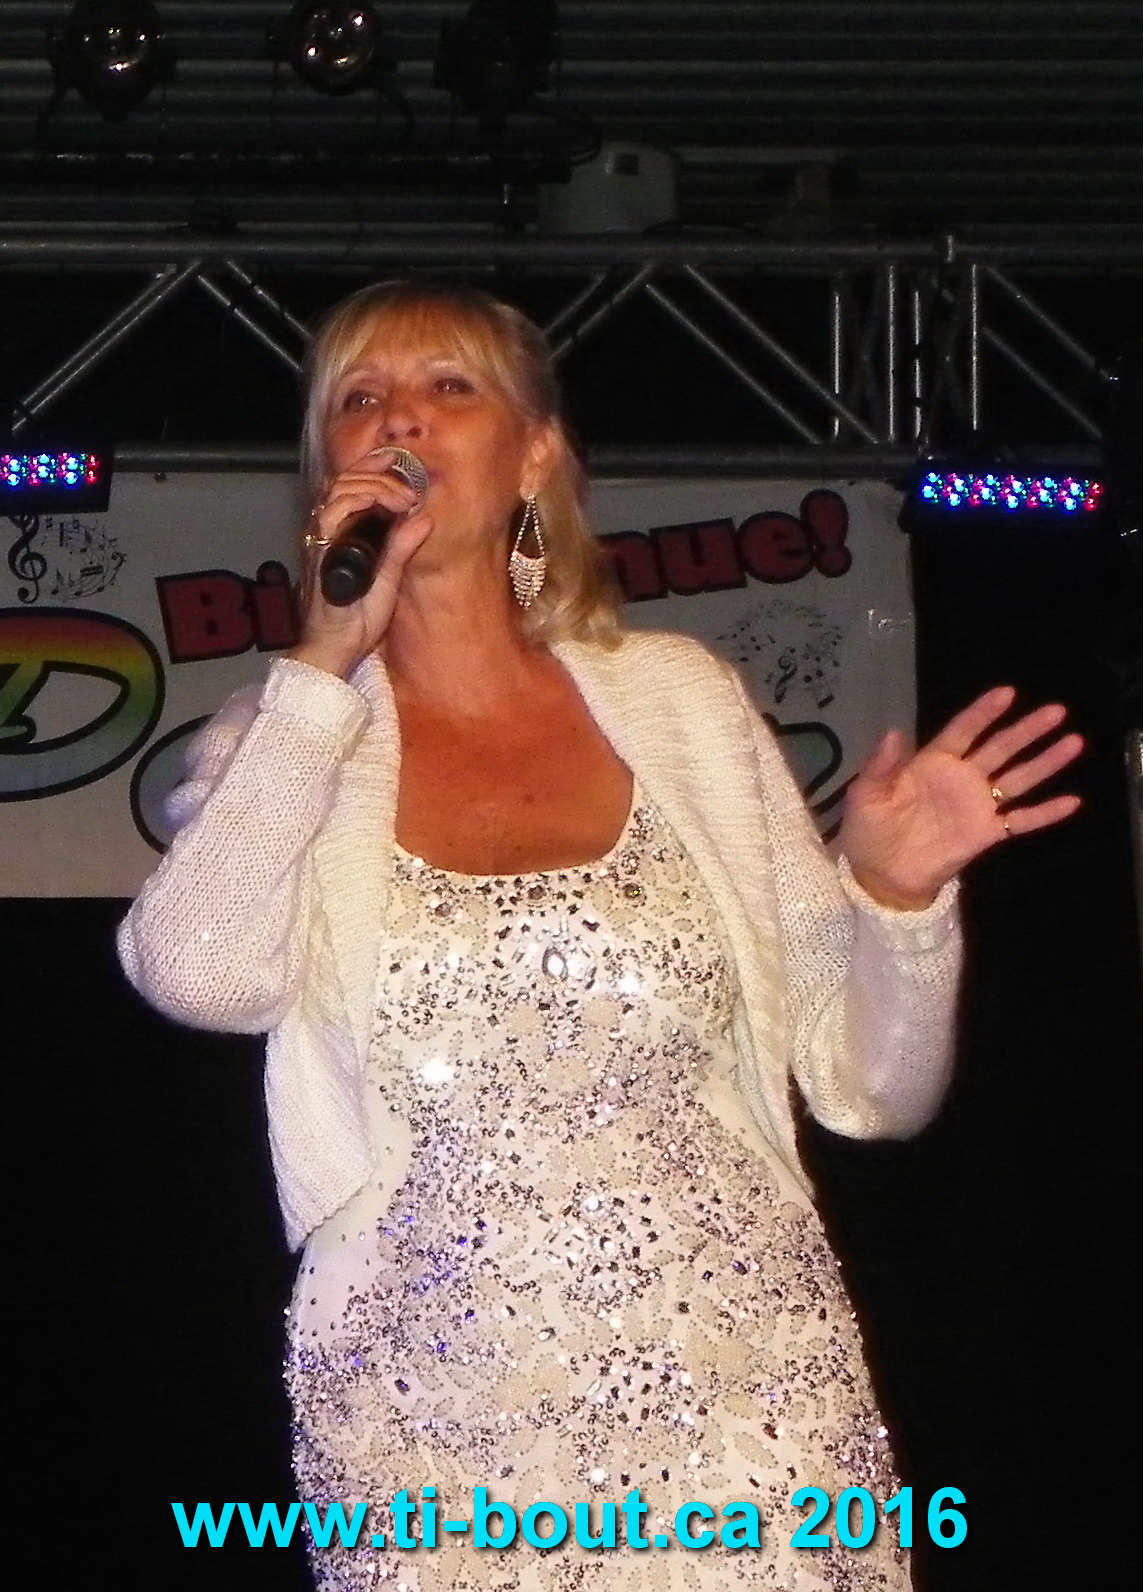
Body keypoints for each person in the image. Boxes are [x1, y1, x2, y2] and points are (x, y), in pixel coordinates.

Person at [118, 282, 1082, 1591]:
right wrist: (323, 664)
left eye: (450, 387)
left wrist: (897, 899)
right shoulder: (287, 741)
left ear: (536, 455)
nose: (399, 418)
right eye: (360, 397)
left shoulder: (681, 704)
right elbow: (199, 975)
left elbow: (872, 1091)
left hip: (745, 1392)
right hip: (437, 1412)